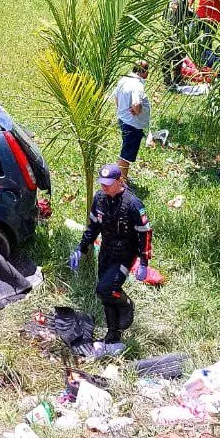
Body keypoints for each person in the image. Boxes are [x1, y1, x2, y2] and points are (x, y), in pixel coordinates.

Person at [68, 163, 152, 343]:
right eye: (102, 182)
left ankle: (127, 303)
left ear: (119, 181)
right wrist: (80, 248)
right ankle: (113, 333)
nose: (103, 186)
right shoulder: (99, 199)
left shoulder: (133, 204)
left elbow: (145, 232)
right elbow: (93, 228)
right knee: (105, 295)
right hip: (106, 252)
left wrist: (144, 262)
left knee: (106, 289)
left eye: (108, 183)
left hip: (125, 255)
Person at [113, 61, 151, 181]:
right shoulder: (137, 85)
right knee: (127, 153)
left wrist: (122, 110)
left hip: (124, 119)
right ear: (144, 72)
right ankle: (122, 179)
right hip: (133, 124)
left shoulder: (124, 79)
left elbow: (116, 97)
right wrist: (138, 111)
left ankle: (124, 176)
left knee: (127, 149)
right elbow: (136, 104)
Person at [163, 0, 198, 87]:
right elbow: (170, 18)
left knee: (179, 57)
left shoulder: (184, 1)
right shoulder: (176, 2)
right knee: (168, 57)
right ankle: (167, 80)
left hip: (179, 33)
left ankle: (178, 79)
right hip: (172, 33)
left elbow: (185, 14)